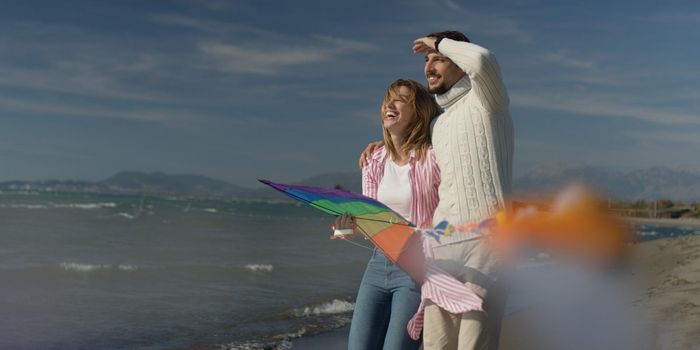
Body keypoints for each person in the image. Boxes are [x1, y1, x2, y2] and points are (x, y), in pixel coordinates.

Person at [361, 31, 514, 350]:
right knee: (435, 345)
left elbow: (483, 60)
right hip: (441, 250)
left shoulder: (487, 102)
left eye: (439, 59)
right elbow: (417, 156)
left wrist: (441, 42)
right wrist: (384, 144)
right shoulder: (438, 127)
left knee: (473, 343)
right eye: (427, 60)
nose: (429, 65)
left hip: (486, 245)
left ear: (460, 59)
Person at [338, 79, 441, 350]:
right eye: (388, 99)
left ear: (418, 112)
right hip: (377, 264)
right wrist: (347, 226)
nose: (389, 105)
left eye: (401, 99)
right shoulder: (373, 161)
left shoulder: (433, 158)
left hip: (416, 270)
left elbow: (450, 210)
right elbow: (369, 221)